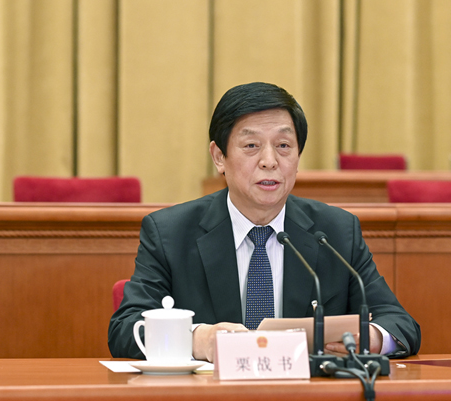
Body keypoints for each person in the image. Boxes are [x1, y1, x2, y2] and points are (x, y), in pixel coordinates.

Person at [108, 82, 421, 362]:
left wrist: (370, 338)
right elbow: (125, 329)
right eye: (251, 146)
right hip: (210, 400)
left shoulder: (335, 232)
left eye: (283, 146)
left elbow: (398, 323)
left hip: (308, 400)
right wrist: (197, 340)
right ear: (219, 157)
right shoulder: (170, 233)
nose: (270, 161)